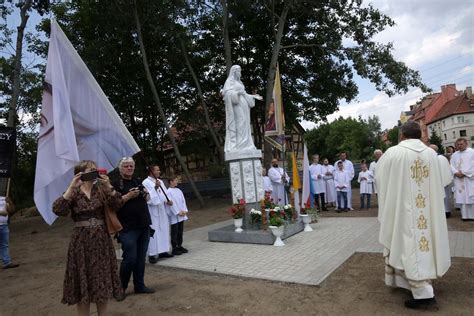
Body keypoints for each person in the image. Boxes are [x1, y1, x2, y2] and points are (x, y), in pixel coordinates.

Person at [376, 121, 451, 309]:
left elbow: (380, 178)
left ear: (402, 135)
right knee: (423, 243)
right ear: (420, 135)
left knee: (406, 245)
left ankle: (423, 293)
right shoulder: (432, 154)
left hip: (403, 211)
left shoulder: (393, 153)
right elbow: (444, 179)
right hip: (428, 209)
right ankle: (412, 283)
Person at [52, 160, 123, 315]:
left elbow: (118, 204)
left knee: (101, 280)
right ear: (80, 173)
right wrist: (71, 187)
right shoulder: (74, 192)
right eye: (91, 169)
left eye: (95, 169)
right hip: (81, 242)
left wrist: (109, 186)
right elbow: (57, 209)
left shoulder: (101, 189)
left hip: (101, 241)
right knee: (82, 279)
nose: (95, 172)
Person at [112, 157, 155, 296]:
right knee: (130, 259)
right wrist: (129, 196)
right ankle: (120, 289)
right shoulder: (115, 184)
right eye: (126, 166)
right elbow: (113, 204)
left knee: (141, 258)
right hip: (127, 228)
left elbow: (148, 199)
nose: (129, 168)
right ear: (120, 169)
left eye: (131, 166)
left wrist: (145, 194)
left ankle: (139, 286)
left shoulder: (137, 181)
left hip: (144, 225)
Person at [222, 65, 263, 152]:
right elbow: (226, 94)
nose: (240, 73)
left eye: (240, 71)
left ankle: (246, 144)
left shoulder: (240, 83)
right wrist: (237, 94)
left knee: (246, 124)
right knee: (240, 122)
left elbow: (244, 94)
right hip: (236, 105)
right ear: (234, 72)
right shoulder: (229, 81)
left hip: (244, 106)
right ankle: (240, 144)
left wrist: (253, 96)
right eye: (238, 71)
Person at [142, 165, 173, 263]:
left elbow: (165, 194)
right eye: (157, 170)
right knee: (154, 232)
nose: (159, 171)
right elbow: (147, 197)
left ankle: (163, 251)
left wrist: (167, 200)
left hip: (161, 209)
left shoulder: (160, 181)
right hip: (152, 210)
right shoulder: (145, 182)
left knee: (163, 229)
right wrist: (155, 188)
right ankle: (152, 254)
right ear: (151, 171)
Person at [450, 138, 474, 220]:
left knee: (470, 197)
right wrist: (456, 172)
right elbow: (451, 165)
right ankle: (464, 216)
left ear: (466, 144)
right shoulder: (454, 155)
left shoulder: (472, 152)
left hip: (469, 179)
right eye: (458, 144)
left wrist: (464, 173)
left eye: (461, 144)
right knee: (462, 198)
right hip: (459, 179)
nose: (459, 146)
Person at [166, 175, 189, 256]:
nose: (177, 181)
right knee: (174, 231)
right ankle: (174, 247)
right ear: (171, 182)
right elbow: (170, 203)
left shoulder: (179, 190)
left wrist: (184, 210)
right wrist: (177, 212)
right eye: (175, 180)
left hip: (181, 214)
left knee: (180, 231)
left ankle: (180, 245)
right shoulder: (168, 192)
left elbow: (183, 201)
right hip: (174, 215)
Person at [429, 144, 454, 218]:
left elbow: (445, 169)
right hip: (435, 181)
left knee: (444, 196)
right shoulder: (432, 158)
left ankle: (446, 211)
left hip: (441, 181)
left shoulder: (440, 158)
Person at [0, 197, 20, 270]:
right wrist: (1, 212)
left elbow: (12, 211)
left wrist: (10, 204)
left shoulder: (4, 198)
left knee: (4, 245)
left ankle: (7, 263)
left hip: (4, 225)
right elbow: (4, 213)